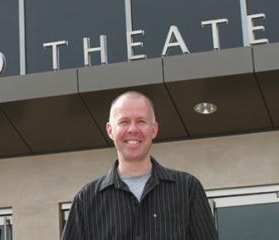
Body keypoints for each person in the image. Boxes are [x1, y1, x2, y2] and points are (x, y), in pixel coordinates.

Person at [61, 91, 217, 240]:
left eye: (141, 121)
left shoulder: (187, 189)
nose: (133, 129)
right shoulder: (86, 201)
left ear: (154, 129)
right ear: (110, 130)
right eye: (124, 122)